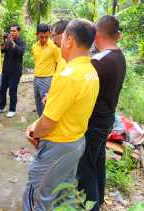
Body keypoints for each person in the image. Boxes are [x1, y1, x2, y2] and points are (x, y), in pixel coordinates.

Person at [23, 19, 99, 211]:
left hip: (58, 146)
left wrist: (33, 132)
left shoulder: (69, 76)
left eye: (62, 36)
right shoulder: (90, 72)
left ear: (70, 40)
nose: (58, 40)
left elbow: (48, 122)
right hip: (76, 141)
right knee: (62, 193)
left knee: (38, 195)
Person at [77, 16, 126, 211]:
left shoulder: (98, 62)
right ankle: (100, 198)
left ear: (96, 35)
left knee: (85, 168)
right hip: (106, 119)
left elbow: (83, 92)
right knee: (97, 161)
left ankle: (90, 207)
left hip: (94, 121)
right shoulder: (119, 56)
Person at [32, 23, 60, 116]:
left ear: (49, 34)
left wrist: (54, 81)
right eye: (41, 37)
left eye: (46, 37)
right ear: (36, 34)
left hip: (48, 79)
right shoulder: (34, 47)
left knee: (46, 106)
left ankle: (47, 128)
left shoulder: (54, 47)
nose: (44, 39)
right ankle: (40, 124)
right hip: (36, 78)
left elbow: (58, 64)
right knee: (38, 104)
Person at [0, 24, 25, 118]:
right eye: (11, 31)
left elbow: (20, 52)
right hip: (6, 70)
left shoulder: (21, 42)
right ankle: (1, 106)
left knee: (12, 91)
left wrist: (13, 42)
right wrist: (4, 42)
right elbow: (1, 51)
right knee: (2, 90)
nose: (12, 32)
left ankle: (12, 109)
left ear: (18, 32)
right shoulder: (8, 41)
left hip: (15, 71)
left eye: (14, 31)